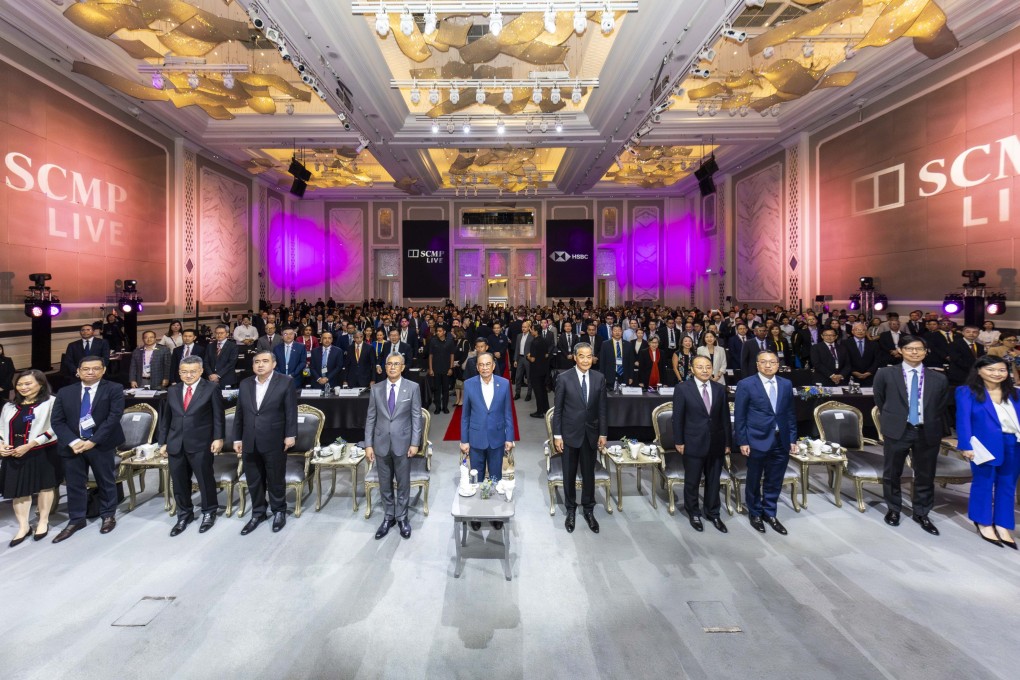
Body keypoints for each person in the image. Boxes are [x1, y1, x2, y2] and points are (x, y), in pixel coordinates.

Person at [873, 335, 949, 535]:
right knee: (892, 472)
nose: (914, 352)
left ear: (926, 352)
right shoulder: (885, 374)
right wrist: (896, 417)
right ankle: (893, 509)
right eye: (909, 348)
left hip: (927, 430)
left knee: (925, 474)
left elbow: (940, 406)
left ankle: (922, 512)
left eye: (919, 349)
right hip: (898, 429)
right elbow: (880, 400)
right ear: (900, 350)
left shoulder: (939, 378)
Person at [50, 357, 126, 542]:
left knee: (105, 481)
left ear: (103, 370)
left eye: (95, 368)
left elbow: (113, 418)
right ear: (78, 371)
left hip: (101, 444)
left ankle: (108, 515)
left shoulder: (114, 389)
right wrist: (74, 441)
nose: (90, 372)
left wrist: (93, 441)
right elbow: (57, 421)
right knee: (74, 484)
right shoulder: (65, 392)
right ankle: (76, 519)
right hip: (73, 446)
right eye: (86, 369)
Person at [955, 355, 1020, 548]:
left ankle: (1003, 524)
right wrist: (966, 445)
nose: (997, 374)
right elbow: (963, 420)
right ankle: (983, 522)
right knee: (984, 482)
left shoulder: (1015, 393)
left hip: (1014, 442)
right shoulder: (966, 392)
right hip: (983, 445)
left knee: (1007, 485)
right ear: (979, 370)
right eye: (991, 369)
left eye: (1001, 370)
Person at [157, 356, 224, 536]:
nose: (188, 375)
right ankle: (184, 514)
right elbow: (166, 419)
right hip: (175, 443)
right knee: (179, 482)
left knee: (205, 479)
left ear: (201, 371)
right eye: (184, 372)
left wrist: (218, 438)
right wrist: (163, 442)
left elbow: (218, 416)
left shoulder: (211, 388)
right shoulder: (173, 390)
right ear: (179, 373)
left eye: (193, 372)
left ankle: (209, 511)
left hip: (201, 442)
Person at [733, 351, 798, 535]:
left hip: (781, 440)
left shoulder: (786, 384)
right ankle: (755, 513)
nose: (768, 365)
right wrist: (743, 441)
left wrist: (792, 438)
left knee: (775, 479)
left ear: (778, 364)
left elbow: (790, 413)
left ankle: (770, 513)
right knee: (754, 479)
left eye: (772, 362)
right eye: (764, 362)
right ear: (757, 365)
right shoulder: (746, 384)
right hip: (756, 440)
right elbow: (740, 416)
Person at [233, 351, 297, 535]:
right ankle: (258, 513)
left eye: (265, 361)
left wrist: (290, 435)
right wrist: (237, 438)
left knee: (275, 478)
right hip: (249, 439)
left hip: (274, 438)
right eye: (257, 362)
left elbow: (291, 411)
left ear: (274, 364)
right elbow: (239, 413)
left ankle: (279, 511)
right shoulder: (245, 384)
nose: (260, 365)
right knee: (254, 480)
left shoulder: (285, 382)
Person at [364, 353, 422, 540]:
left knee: (403, 483)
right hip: (381, 443)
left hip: (403, 444)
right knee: (384, 483)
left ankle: (402, 517)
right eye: (389, 364)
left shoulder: (412, 387)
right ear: (385, 367)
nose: (392, 367)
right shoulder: (376, 389)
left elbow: (416, 417)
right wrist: (368, 444)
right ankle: (389, 517)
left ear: (403, 367)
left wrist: (415, 443)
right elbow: (371, 418)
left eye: (396, 364)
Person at [552, 342, 608, 534]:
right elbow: (558, 410)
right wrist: (557, 435)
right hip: (569, 434)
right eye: (581, 356)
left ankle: (589, 509)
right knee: (569, 473)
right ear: (575, 357)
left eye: (589, 356)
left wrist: (603, 433)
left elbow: (602, 409)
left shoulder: (599, 378)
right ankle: (570, 509)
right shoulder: (563, 378)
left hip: (591, 434)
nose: (585, 360)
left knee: (588, 474)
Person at [0, 370, 60, 546]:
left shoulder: (51, 402)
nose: (23, 387)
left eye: (28, 383)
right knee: (18, 491)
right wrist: (1, 445)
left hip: (42, 451)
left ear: (40, 384)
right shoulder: (9, 406)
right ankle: (23, 526)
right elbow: (1, 429)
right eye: (19, 384)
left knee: (45, 486)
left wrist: (31, 444)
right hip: (14, 453)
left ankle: (43, 521)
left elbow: (55, 427)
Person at [672, 356, 732, 533]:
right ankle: (693, 512)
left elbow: (725, 418)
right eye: (700, 367)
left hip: (716, 442)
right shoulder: (683, 388)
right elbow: (678, 418)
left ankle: (713, 513)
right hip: (693, 441)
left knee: (714, 480)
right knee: (692, 480)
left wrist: (727, 442)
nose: (705, 370)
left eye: (708, 367)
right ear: (692, 369)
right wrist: (679, 441)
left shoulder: (719, 389)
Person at [460, 352, 514, 529]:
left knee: (496, 477)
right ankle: (475, 515)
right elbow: (465, 416)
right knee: (476, 478)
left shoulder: (503, 384)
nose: (484, 368)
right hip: (476, 438)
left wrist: (509, 437)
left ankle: (496, 514)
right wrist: (464, 440)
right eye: (481, 365)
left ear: (493, 366)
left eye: (487, 364)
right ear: (477, 367)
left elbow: (508, 413)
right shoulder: (469, 384)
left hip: (497, 438)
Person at [427, 325, 456, 414]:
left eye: (440, 331)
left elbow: (452, 355)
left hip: (446, 369)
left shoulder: (450, 341)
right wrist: (430, 369)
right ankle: (438, 407)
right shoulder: (433, 341)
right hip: (436, 369)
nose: (438, 333)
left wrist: (451, 368)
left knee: (445, 389)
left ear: (444, 332)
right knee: (437, 389)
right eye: (437, 331)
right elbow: (430, 356)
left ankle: (445, 407)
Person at [599, 324, 634, 390]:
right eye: (615, 330)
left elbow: (631, 362)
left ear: (622, 332)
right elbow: (602, 362)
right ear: (611, 332)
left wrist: (631, 377)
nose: (617, 332)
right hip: (609, 376)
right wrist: (603, 377)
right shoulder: (605, 344)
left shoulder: (628, 344)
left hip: (624, 376)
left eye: (619, 330)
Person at [527, 323, 551, 416]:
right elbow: (546, 354)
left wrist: (528, 356)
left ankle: (540, 412)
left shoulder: (534, 342)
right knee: (543, 390)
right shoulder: (544, 340)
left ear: (536, 331)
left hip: (536, 370)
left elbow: (532, 359)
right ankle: (546, 409)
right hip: (543, 369)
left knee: (538, 391)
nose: (531, 331)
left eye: (532, 329)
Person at [512, 320, 533, 401]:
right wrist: (515, 360)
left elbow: (534, 349)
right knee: (518, 377)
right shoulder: (519, 336)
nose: (523, 328)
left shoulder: (532, 337)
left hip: (528, 359)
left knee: (529, 377)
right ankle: (517, 393)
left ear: (529, 328)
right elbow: (517, 348)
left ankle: (529, 394)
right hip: (520, 358)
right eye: (522, 327)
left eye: (525, 327)